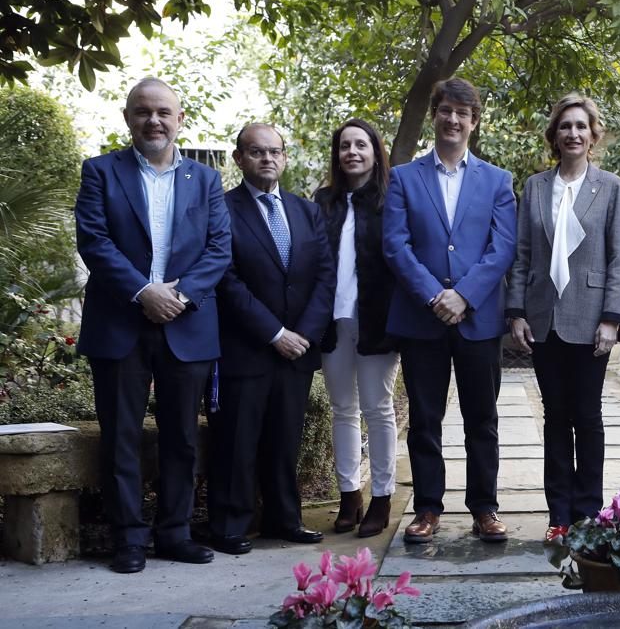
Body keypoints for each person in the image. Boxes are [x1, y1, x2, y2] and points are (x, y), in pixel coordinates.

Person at [74, 77, 231, 573]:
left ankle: (175, 533)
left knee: (182, 436)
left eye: (163, 111)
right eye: (143, 112)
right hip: (120, 323)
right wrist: (144, 291)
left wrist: (178, 296)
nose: (154, 121)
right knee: (120, 435)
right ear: (128, 118)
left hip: (187, 325)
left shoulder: (205, 180)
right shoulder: (101, 171)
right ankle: (129, 539)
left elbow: (219, 249)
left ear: (180, 119)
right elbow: (94, 240)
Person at [383, 77, 517, 545]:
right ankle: (427, 509)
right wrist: (434, 295)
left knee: (483, 418)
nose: (453, 120)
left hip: (478, 319)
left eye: (463, 113)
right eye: (446, 111)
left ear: (473, 122)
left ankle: (484, 508)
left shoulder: (498, 180)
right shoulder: (403, 177)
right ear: (435, 115)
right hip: (422, 319)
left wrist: (464, 295)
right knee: (424, 419)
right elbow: (395, 245)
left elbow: (502, 248)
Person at [505, 93, 620, 542]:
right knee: (555, 417)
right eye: (565, 127)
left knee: (588, 415)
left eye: (581, 126)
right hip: (543, 316)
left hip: (591, 316)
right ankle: (559, 515)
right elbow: (521, 255)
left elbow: (619, 258)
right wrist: (515, 311)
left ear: (593, 135)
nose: (572, 134)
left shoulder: (611, 187)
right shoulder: (535, 187)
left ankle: (589, 512)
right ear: (554, 136)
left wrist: (612, 317)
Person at [208, 123, 336, 555]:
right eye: (257, 152)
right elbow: (226, 280)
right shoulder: (221, 209)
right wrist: (274, 333)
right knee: (237, 442)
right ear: (239, 158)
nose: (267, 159)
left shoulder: (307, 211)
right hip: (247, 348)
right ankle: (229, 525)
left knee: (285, 440)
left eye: (275, 152)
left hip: (297, 350)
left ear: (285, 158)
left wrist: (303, 334)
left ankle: (285, 519)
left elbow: (325, 276)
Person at [314, 118, 401, 538]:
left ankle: (382, 497)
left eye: (361, 144)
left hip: (377, 320)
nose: (352, 151)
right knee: (342, 409)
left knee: (378, 409)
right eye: (345, 145)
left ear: (375, 151)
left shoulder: (390, 199)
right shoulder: (324, 201)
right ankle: (349, 495)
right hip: (332, 321)